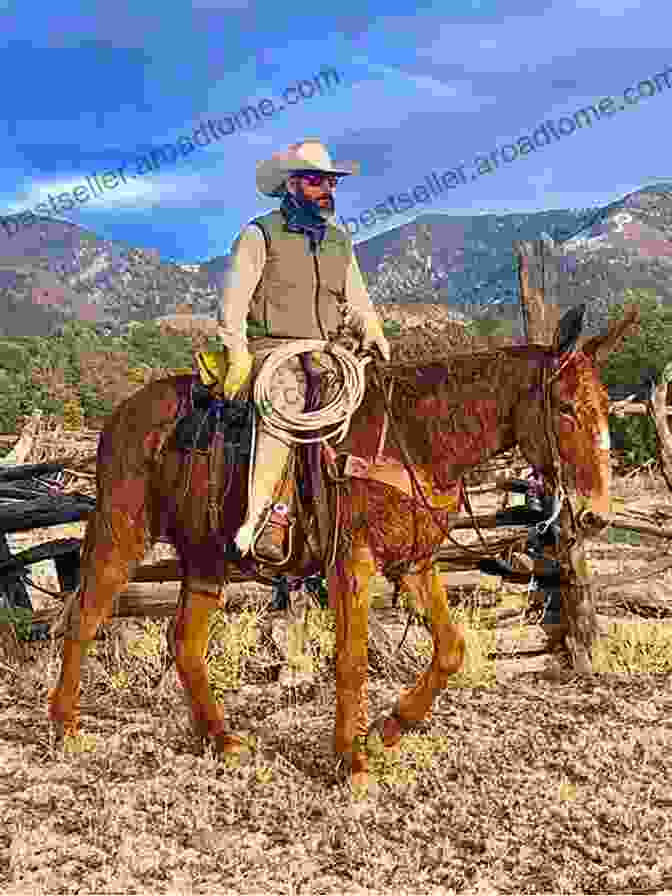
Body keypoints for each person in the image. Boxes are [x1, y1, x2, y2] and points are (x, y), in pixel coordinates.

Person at [217, 139, 391, 562]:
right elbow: (233, 303)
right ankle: (263, 516)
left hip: (328, 350)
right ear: (291, 186)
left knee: (374, 403)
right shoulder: (259, 234)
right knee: (287, 404)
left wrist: (373, 331)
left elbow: (357, 299)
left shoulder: (339, 241)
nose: (326, 189)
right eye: (315, 181)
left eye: (330, 181)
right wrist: (238, 354)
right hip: (271, 348)